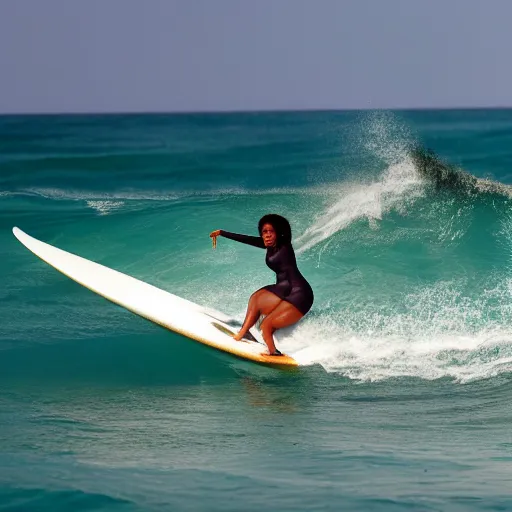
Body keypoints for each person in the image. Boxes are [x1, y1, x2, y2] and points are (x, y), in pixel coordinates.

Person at [209, 214, 314, 356]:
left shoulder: (284, 245)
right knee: (255, 299)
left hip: (300, 294)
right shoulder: (267, 245)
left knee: (266, 325)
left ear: (278, 233)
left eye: (272, 232)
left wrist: (282, 226)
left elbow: (285, 231)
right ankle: (243, 333)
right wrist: (222, 233)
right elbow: (246, 239)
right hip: (284, 289)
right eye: (265, 232)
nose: (268, 235)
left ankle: (273, 352)